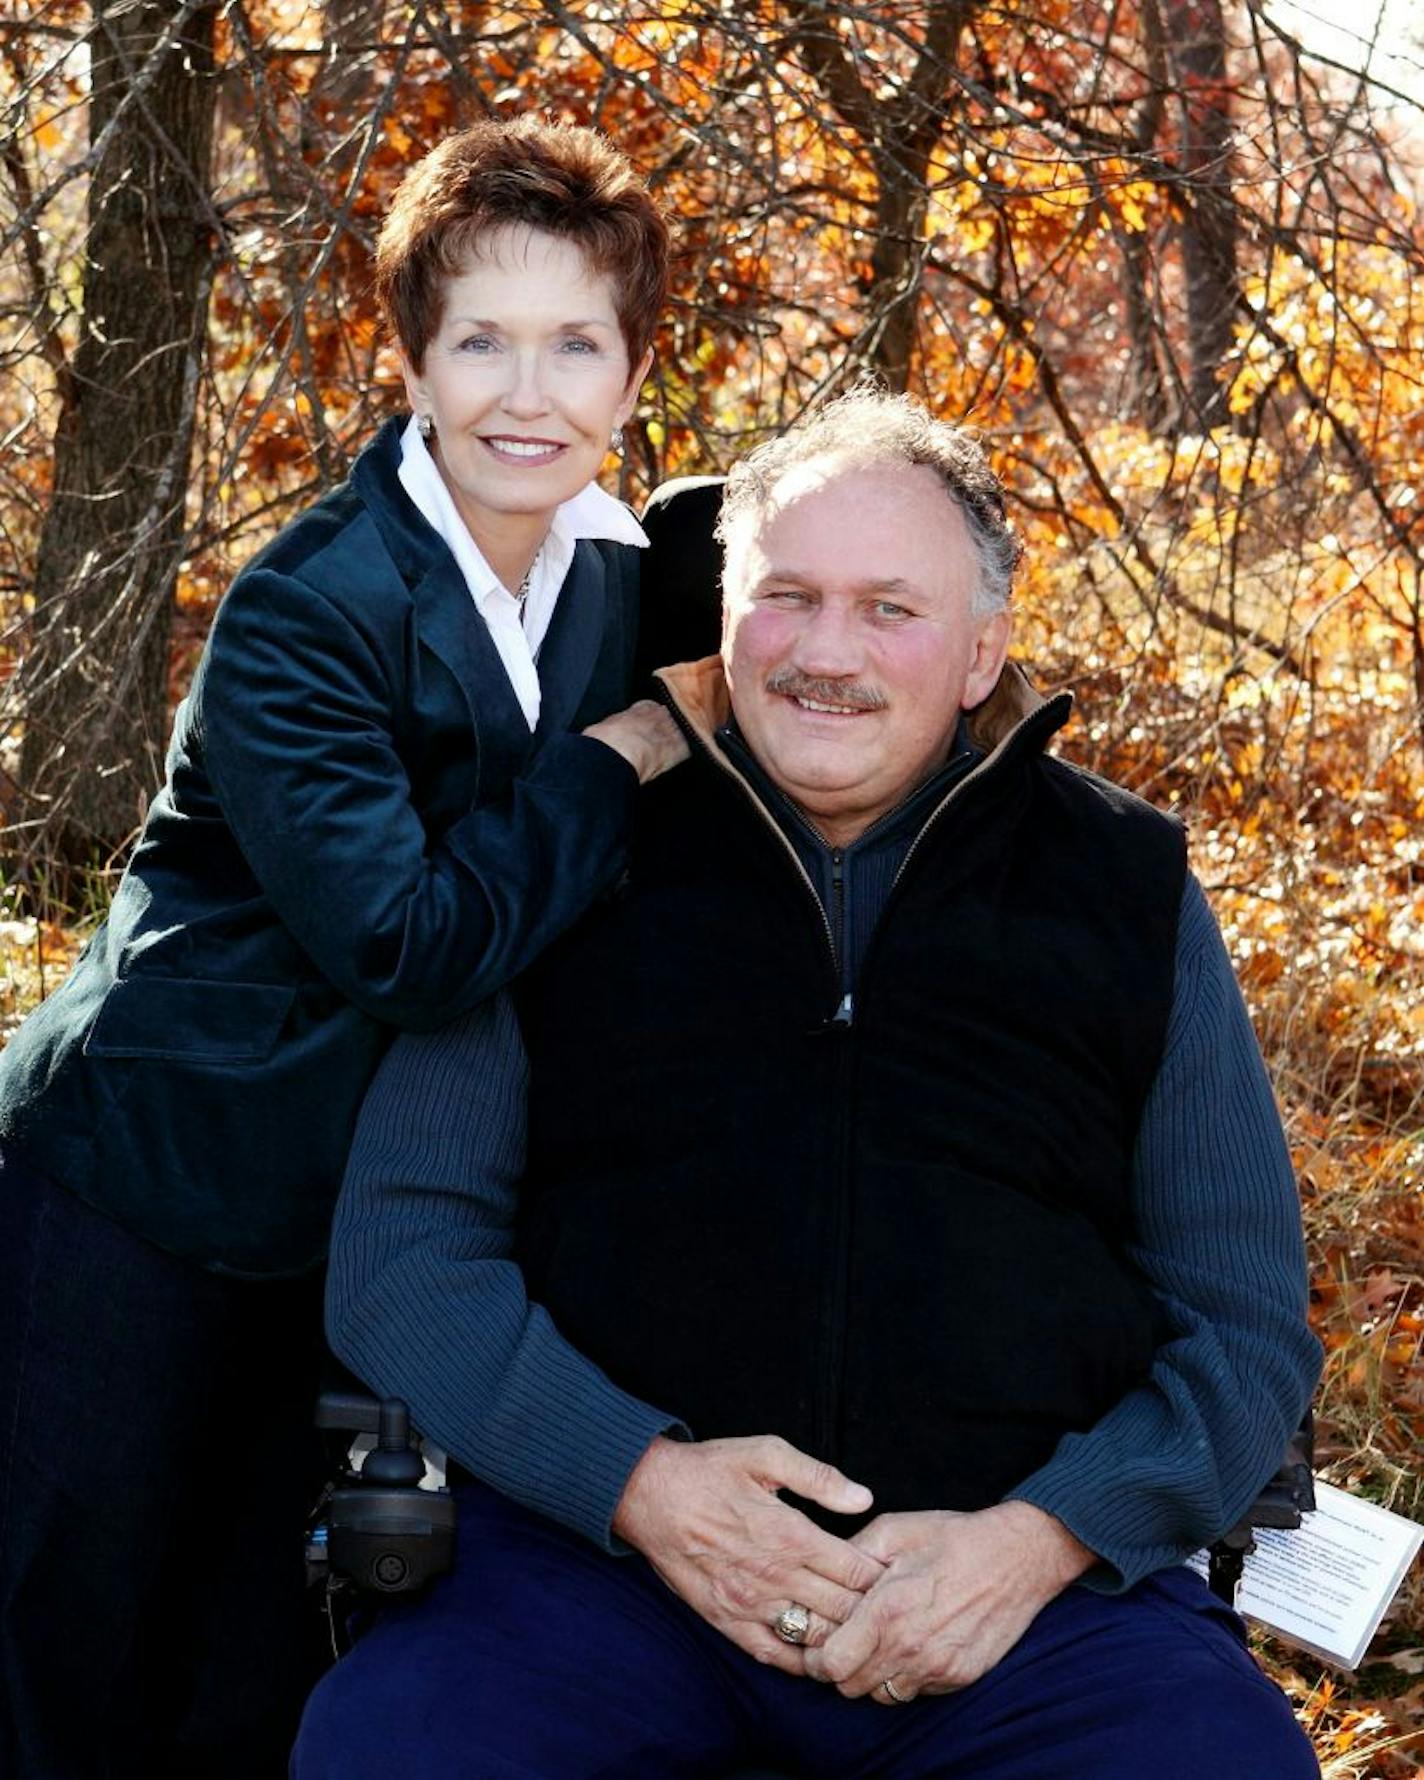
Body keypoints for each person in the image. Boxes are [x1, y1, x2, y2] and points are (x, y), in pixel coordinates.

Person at [295, 389, 1323, 1779]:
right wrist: (640, 1485)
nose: (826, 653)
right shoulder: (567, 855)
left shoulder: (1123, 891)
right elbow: (403, 1254)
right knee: (399, 1750)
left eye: (890, 608)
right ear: (725, 616)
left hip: (1032, 1612)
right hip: (594, 1583)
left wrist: (1041, 1540)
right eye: (787, 597)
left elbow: (1246, 1321)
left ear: (979, 654)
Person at [0, 116, 689, 1780]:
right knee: (69, 1647)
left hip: (378, 1221)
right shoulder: (309, 604)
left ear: (635, 358)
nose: (529, 395)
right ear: (412, 359)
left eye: (575, 342)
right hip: (152, 1173)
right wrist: (619, 759)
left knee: (268, 1655)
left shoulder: (630, 586)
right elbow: (408, 942)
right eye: (481, 342)